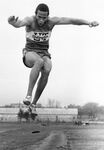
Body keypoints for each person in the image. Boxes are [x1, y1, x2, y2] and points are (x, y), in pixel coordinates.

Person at [8, 3, 99, 113]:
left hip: (44, 52)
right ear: (35, 14)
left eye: (44, 17)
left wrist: (88, 22)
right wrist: (12, 22)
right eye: (39, 17)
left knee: (47, 68)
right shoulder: (30, 20)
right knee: (39, 61)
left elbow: (71, 21)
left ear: (48, 16)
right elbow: (18, 23)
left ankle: (33, 104)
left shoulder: (52, 22)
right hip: (30, 53)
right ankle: (28, 95)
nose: (41, 20)